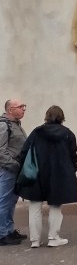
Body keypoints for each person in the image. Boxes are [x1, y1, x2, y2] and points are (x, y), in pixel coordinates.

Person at [16, 105, 77, 248]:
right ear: (62, 117)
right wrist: (72, 169)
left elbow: (24, 152)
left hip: (36, 173)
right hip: (59, 174)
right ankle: (53, 237)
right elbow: (73, 155)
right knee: (55, 206)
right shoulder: (68, 134)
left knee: (34, 207)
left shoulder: (37, 132)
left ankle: (35, 240)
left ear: (46, 116)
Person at [0, 99, 28, 246]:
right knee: (4, 201)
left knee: (11, 202)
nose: (24, 109)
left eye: (24, 106)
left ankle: (9, 231)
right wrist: (15, 165)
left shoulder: (16, 124)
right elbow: (1, 151)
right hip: (7, 170)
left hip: (15, 169)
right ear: (10, 110)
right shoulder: (4, 125)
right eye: (20, 107)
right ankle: (2, 234)